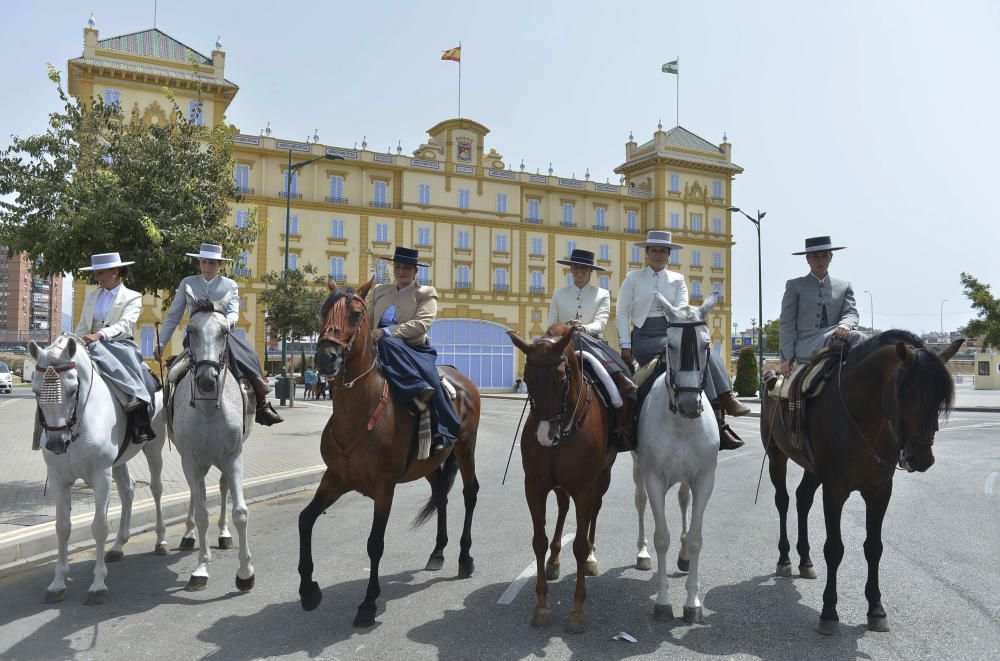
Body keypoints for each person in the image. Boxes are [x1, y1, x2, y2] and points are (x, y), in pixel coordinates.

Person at [615, 230, 748, 450]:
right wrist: (625, 346)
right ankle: (627, 426)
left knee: (706, 352)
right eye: (654, 250)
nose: (658, 254)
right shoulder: (633, 278)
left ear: (669, 255)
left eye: (662, 251)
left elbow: (684, 311)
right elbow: (621, 312)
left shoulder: (678, 279)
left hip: (673, 331)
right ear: (647, 254)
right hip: (645, 336)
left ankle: (723, 408)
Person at [153, 243, 283, 426]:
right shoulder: (187, 283)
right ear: (199, 261)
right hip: (196, 337)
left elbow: (233, 312)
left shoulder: (230, 285)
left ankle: (262, 404)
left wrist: (227, 323)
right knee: (173, 373)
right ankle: (168, 413)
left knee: (249, 356)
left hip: (222, 334)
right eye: (204, 262)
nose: (207, 267)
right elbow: (173, 316)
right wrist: (160, 344)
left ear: (220, 265)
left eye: (212, 263)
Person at [370, 246, 460, 455]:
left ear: (415, 272)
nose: (401, 271)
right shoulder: (379, 290)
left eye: (407, 268)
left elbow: (422, 324)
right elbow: (366, 318)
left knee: (433, 380)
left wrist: (385, 333)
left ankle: (440, 427)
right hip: (376, 345)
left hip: (414, 348)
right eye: (398, 267)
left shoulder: (426, 293)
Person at [547, 248, 637, 448]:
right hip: (563, 344)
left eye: (584, 268)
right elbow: (551, 324)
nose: (579, 270)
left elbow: (601, 323)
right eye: (576, 266)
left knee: (582, 337)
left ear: (590, 271)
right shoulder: (558, 294)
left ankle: (622, 423)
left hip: (592, 341)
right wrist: (565, 330)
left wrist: (584, 327)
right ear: (570, 269)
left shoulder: (602, 294)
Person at [75, 252, 156, 443]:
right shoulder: (92, 296)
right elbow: (82, 327)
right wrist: (73, 342)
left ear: (115, 271)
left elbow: (125, 324)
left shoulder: (133, 297)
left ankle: (136, 405)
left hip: (119, 344)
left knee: (97, 349)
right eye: (96, 273)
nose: (96, 277)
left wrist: (100, 335)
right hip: (89, 342)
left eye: (100, 273)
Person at [778, 236, 865, 376]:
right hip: (807, 343)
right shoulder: (795, 286)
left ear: (831, 257)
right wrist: (786, 358)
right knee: (857, 337)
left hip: (837, 335)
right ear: (807, 259)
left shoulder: (844, 286)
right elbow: (787, 324)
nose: (821, 260)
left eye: (825, 256)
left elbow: (851, 313)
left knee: (866, 339)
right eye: (815, 256)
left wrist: (846, 325)